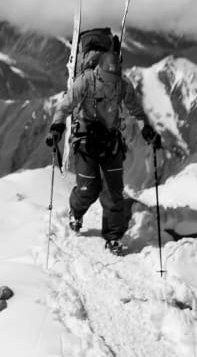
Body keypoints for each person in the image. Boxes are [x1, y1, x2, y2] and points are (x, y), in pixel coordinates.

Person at [48, 37, 162, 255]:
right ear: (99, 71)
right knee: (89, 188)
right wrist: (56, 128)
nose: (111, 84)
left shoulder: (122, 85)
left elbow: (136, 110)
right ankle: (76, 210)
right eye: (108, 79)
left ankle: (113, 237)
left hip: (111, 141)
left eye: (114, 79)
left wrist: (146, 130)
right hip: (86, 140)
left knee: (114, 192)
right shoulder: (86, 81)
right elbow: (65, 107)